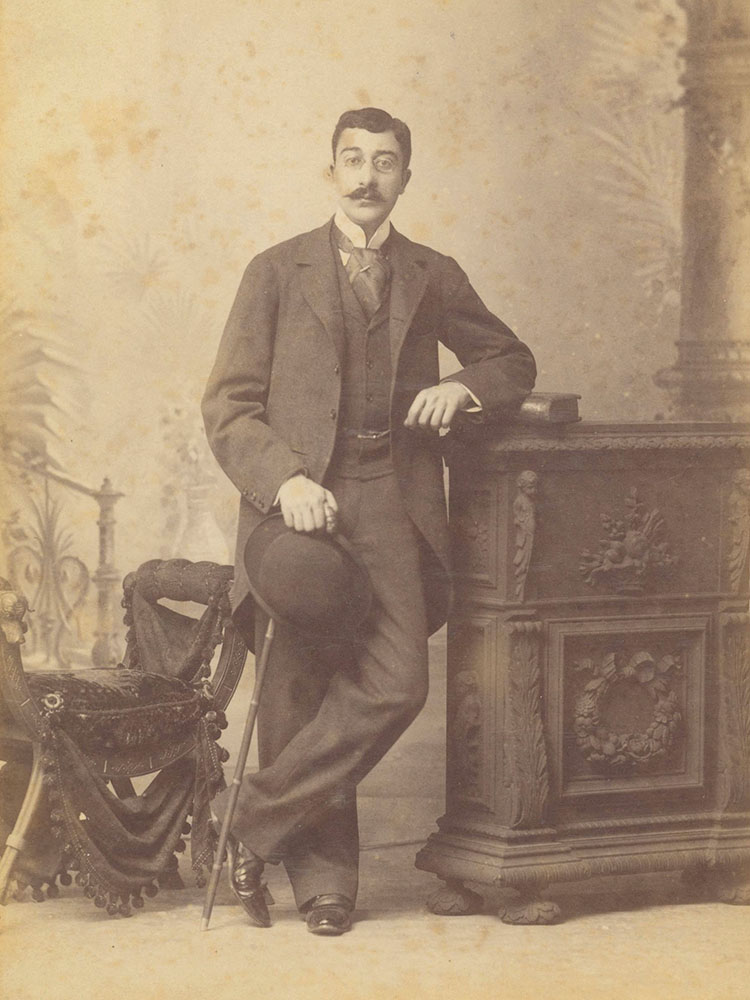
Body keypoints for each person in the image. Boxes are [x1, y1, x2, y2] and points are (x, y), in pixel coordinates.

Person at [202, 107, 536, 935]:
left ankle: (250, 821)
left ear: (406, 179)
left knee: (396, 682)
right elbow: (229, 408)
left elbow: (511, 359)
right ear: (329, 173)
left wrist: (463, 387)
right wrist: (284, 482)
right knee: (302, 675)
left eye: (384, 163)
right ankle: (325, 886)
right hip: (296, 506)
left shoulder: (433, 272)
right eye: (352, 160)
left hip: (393, 495)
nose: (366, 177)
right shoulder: (276, 271)